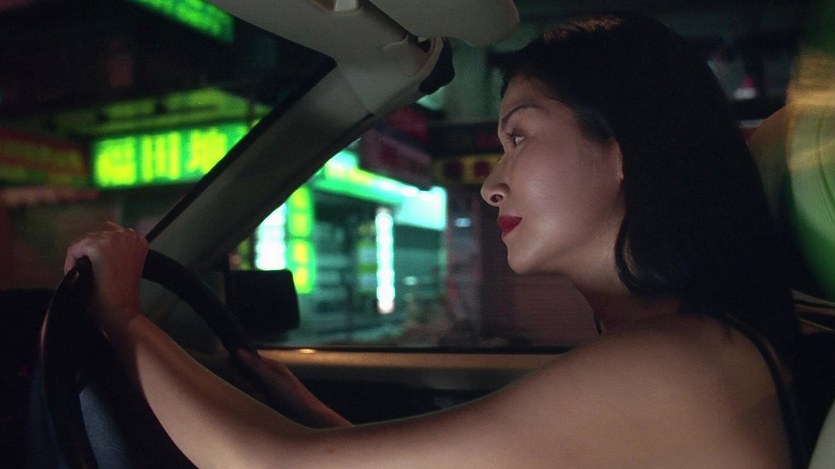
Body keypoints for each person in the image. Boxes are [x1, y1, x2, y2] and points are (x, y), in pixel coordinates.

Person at [66, 13, 803, 468]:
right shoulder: (691, 349)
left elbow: (280, 468)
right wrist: (313, 414)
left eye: (519, 138)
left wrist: (122, 318)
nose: (491, 185)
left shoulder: (672, 367)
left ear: (625, 148)